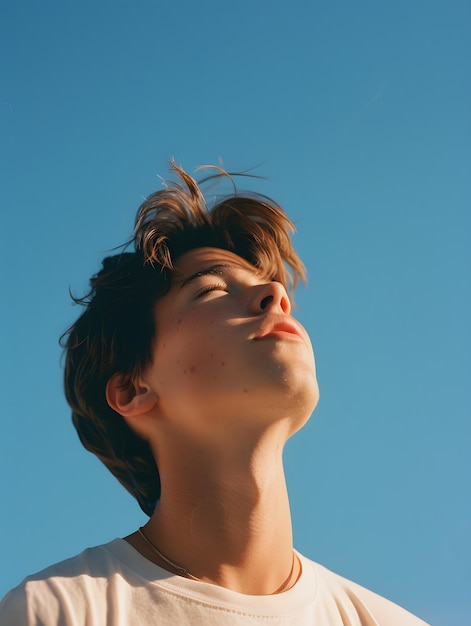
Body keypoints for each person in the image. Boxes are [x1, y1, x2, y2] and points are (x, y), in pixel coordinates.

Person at [0, 163, 429, 625]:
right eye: (211, 290)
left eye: (274, 287)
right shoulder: (59, 611)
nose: (274, 294)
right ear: (133, 388)